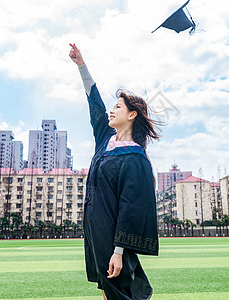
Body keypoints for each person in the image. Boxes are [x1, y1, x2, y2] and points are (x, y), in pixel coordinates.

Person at [69, 43, 160, 300]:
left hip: (113, 234)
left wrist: (119, 250)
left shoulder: (135, 159)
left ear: (132, 115)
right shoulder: (105, 140)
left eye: (118, 107)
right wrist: (81, 66)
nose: (112, 110)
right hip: (95, 228)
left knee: (120, 290)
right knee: (106, 287)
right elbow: (94, 104)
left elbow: (132, 206)